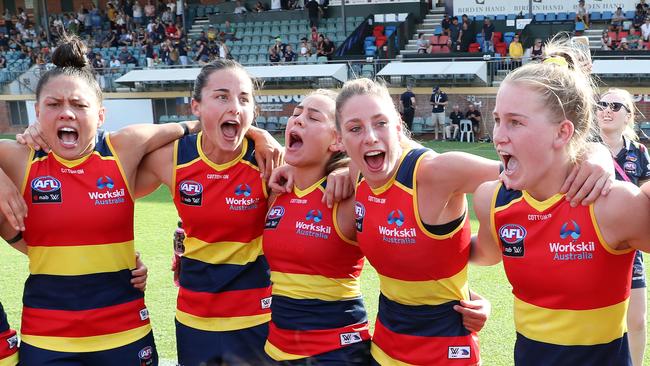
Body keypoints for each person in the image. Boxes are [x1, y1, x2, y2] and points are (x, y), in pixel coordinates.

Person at [0, 35, 190, 366]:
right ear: (36, 112)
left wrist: (258, 134)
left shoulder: (124, 147)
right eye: (54, 105)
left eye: (79, 104)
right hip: (47, 340)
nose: (67, 113)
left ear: (101, 116)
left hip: (126, 335)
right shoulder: (20, 158)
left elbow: (199, 126)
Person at [472, 39, 650, 366]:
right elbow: (477, 252)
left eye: (515, 121)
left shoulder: (611, 205)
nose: (497, 135)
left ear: (562, 132)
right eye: (497, 119)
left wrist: (600, 157)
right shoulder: (492, 199)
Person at [133, 59, 283, 366]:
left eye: (244, 99)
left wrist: (341, 172)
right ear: (196, 106)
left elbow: (335, 160)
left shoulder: (269, 160)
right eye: (222, 97)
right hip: (194, 318)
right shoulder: (174, 157)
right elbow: (112, 181)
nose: (235, 107)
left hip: (258, 317)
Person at [262, 90, 372, 364]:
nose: (297, 120)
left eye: (313, 117)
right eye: (296, 113)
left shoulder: (348, 197)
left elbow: (410, 248)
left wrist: (464, 296)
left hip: (335, 353)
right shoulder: (278, 190)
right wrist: (258, 134)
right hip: (276, 350)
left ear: (337, 140)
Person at [597, 88, 649, 366]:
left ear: (628, 115)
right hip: (590, 242)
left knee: (637, 320)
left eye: (615, 106)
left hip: (629, 244)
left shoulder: (639, 152)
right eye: (602, 104)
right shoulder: (583, 147)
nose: (606, 110)